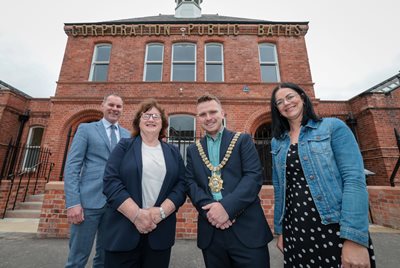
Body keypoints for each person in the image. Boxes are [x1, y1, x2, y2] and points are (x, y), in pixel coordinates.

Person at [270, 82, 376, 268]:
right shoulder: (277, 142)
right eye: (279, 102)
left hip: (334, 227)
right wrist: (281, 232)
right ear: (278, 110)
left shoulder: (332, 127)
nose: (286, 103)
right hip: (296, 228)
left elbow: (354, 180)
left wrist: (354, 239)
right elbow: (280, 190)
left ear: (302, 98)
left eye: (290, 97)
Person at [186, 94, 273, 268]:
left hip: (247, 228)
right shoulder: (193, 149)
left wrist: (226, 208)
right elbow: (190, 183)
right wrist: (212, 213)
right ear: (198, 118)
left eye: (213, 112)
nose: (208, 118)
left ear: (222, 113)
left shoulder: (242, 140)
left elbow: (253, 177)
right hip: (211, 230)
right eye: (203, 114)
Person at [102, 99, 186, 268]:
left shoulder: (173, 152)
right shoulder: (124, 146)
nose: (151, 119)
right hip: (123, 231)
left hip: (160, 232)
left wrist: (161, 212)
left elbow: (181, 185)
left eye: (156, 116)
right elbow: (111, 182)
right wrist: (136, 215)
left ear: (162, 123)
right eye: (146, 115)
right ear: (138, 121)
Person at [64, 93, 131, 268]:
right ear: (103, 105)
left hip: (116, 205)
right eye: (111, 105)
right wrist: (73, 203)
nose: (114, 109)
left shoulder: (127, 135)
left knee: (105, 259)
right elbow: (72, 166)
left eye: (118, 106)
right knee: (77, 258)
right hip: (88, 203)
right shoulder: (86, 129)